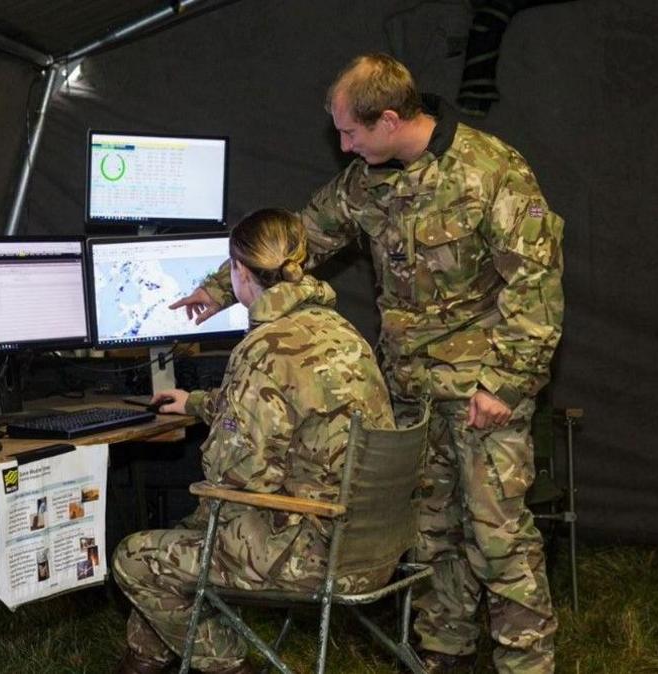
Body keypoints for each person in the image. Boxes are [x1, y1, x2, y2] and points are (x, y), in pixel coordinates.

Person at [171, 53, 564, 674]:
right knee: (432, 531)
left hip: (481, 393)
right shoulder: (367, 183)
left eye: (350, 133)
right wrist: (219, 288)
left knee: (499, 537)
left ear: (387, 119)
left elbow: (535, 285)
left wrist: (506, 384)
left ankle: (527, 664)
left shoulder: (492, 172)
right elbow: (297, 236)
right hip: (409, 391)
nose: (345, 147)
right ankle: (446, 651)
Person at [112, 208, 396, 674]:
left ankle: (233, 668)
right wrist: (199, 402)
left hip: (310, 554)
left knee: (137, 557)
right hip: (371, 543)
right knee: (184, 539)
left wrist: (217, 450)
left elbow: (237, 476)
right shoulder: (340, 332)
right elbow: (291, 403)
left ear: (240, 272)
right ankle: (143, 663)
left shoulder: (264, 347)